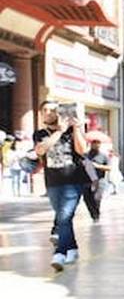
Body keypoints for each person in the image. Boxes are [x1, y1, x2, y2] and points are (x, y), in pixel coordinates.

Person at [34, 100, 89, 271]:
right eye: (45, 110)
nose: (49, 113)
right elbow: (41, 150)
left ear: (59, 113)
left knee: (64, 217)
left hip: (74, 180)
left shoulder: (72, 131)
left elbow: (82, 150)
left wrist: (78, 128)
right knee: (63, 217)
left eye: (53, 110)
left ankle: (60, 252)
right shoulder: (40, 133)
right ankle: (72, 248)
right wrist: (59, 132)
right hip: (53, 182)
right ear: (41, 113)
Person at [82, 139, 112, 221]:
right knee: (87, 198)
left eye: (97, 143)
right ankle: (93, 213)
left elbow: (109, 168)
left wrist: (98, 166)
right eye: (94, 143)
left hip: (100, 180)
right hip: (87, 180)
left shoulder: (104, 156)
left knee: (96, 198)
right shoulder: (85, 155)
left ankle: (96, 214)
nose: (95, 145)